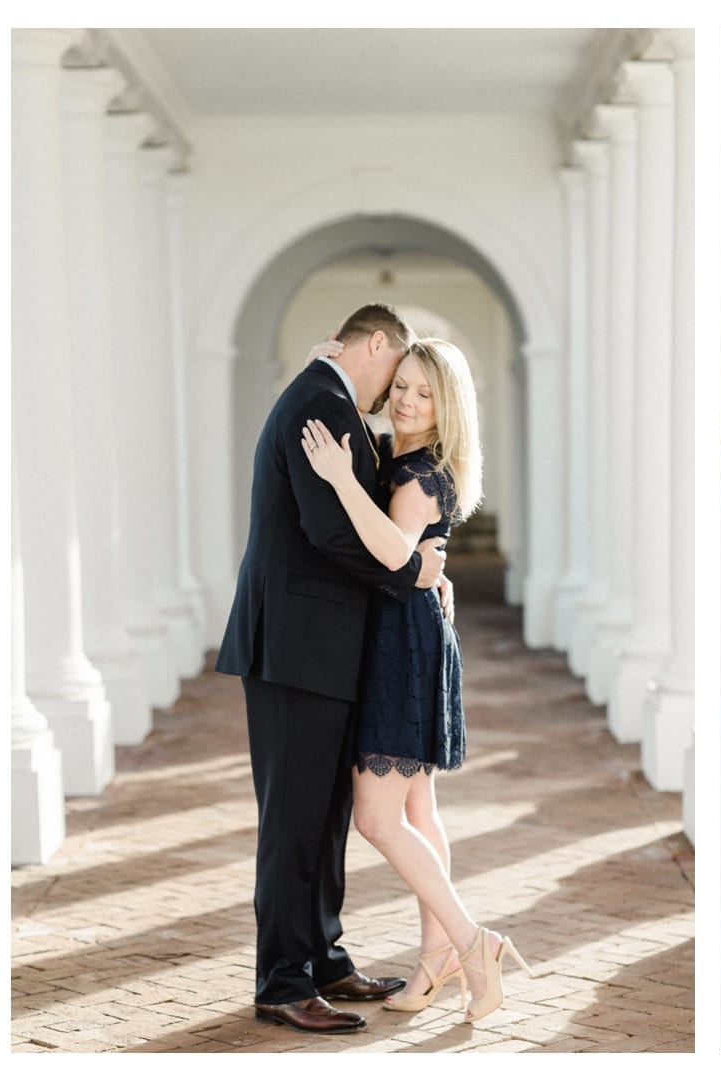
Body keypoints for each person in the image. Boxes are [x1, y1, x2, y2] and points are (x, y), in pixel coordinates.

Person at [217, 303, 446, 1035]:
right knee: (294, 818)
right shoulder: (324, 403)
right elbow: (330, 532)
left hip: (314, 643)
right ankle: (283, 980)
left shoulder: (326, 395)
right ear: (374, 344)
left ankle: (322, 958)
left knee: (324, 813)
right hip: (298, 644)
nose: (390, 396)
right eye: (393, 374)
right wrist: (410, 570)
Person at [300, 336, 533, 1025]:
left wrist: (342, 479)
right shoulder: (408, 460)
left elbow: (393, 555)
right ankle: (436, 961)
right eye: (400, 384)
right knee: (418, 812)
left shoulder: (413, 473)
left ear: (446, 406)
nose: (405, 399)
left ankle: (471, 940)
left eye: (423, 392)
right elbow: (413, 560)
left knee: (377, 817)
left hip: (400, 645)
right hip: (414, 634)